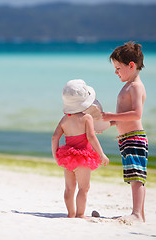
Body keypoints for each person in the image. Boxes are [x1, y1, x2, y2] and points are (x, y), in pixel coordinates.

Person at [102, 41, 148, 223]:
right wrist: (108, 123)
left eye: (118, 68)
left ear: (131, 66)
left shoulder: (136, 87)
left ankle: (137, 213)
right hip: (126, 138)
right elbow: (123, 116)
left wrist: (110, 115)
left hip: (135, 137)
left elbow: (137, 113)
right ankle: (140, 215)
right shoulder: (128, 85)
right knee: (133, 175)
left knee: (137, 176)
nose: (116, 72)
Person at [52, 79, 109, 218]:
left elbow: (55, 137)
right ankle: (80, 215)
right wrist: (101, 154)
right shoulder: (87, 118)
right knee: (84, 188)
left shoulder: (64, 119)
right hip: (83, 159)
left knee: (69, 188)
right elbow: (91, 137)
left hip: (67, 158)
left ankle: (70, 214)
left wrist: (56, 155)